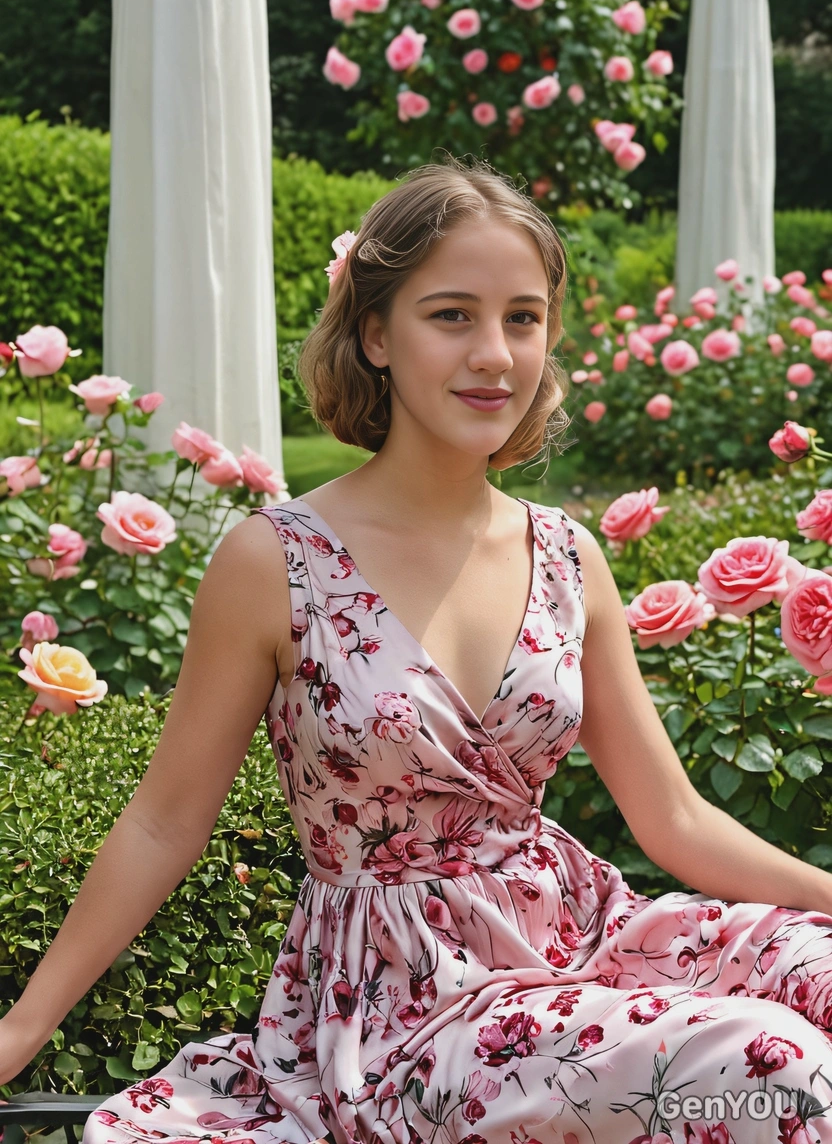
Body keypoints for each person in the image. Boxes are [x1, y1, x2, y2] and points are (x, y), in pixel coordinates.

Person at [3, 155, 832, 1144]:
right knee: (774, 1071)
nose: (493, 353)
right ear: (374, 335)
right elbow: (161, 823)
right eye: (452, 315)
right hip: (400, 1010)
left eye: (522, 317)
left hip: (578, 942)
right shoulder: (276, 561)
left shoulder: (568, 556)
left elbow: (675, 816)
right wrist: (19, 1026)